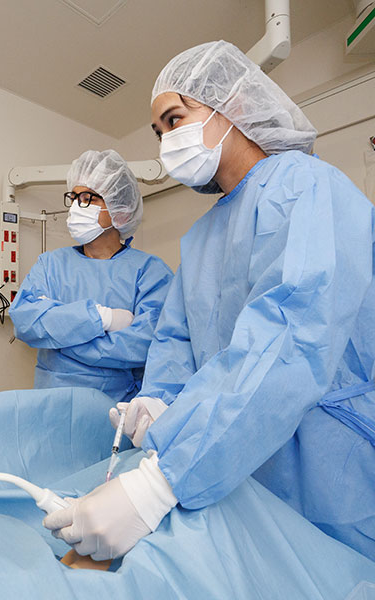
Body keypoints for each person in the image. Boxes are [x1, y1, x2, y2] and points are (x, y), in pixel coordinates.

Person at [44, 40, 375, 563]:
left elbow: (288, 340)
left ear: (233, 105)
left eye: (175, 120)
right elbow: (177, 341)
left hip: (328, 458)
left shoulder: (307, 189)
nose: (166, 142)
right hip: (227, 461)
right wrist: (159, 401)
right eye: (159, 132)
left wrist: (161, 484)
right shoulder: (202, 236)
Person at [9, 149, 173, 403]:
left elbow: (144, 344)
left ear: (120, 209)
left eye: (87, 198)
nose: (76, 207)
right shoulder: (51, 264)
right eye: (73, 197)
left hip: (116, 407)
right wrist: (102, 318)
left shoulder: (150, 272)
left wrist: (61, 338)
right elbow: (25, 321)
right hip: (52, 405)